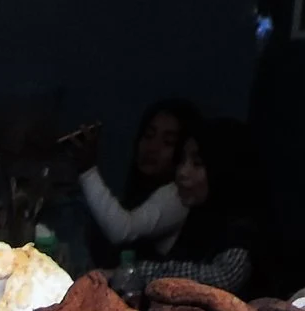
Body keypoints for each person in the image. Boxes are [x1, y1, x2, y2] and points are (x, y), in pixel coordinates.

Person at [70, 101, 208, 263]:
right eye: (148, 136)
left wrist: (88, 170)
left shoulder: (178, 196)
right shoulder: (143, 191)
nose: (152, 148)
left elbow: (122, 231)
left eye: (168, 142)